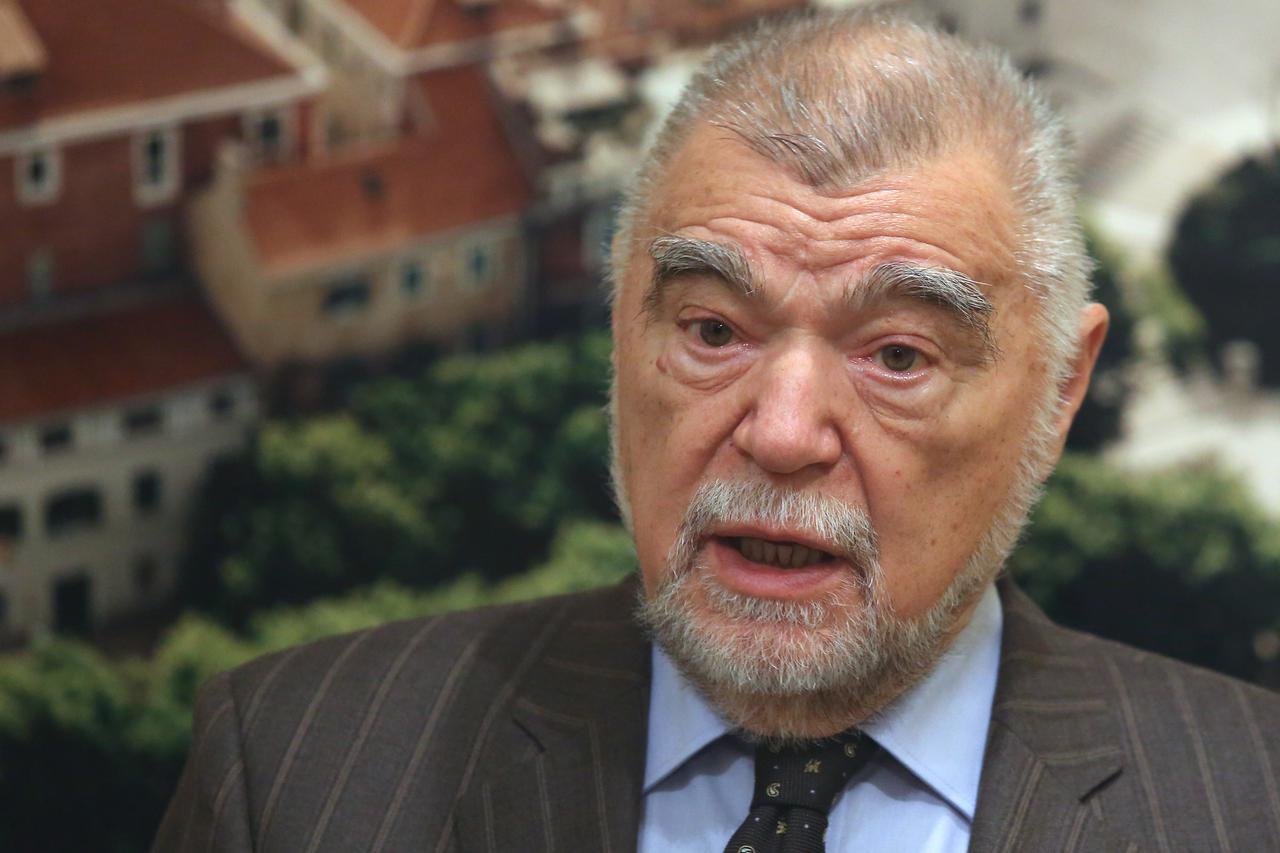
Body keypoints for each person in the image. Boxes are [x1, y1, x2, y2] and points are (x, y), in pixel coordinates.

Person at [153, 10, 1280, 852]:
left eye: (896, 356)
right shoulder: (297, 773)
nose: (782, 435)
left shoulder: (1248, 803)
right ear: (619, 335)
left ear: (1060, 389)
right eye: (711, 330)